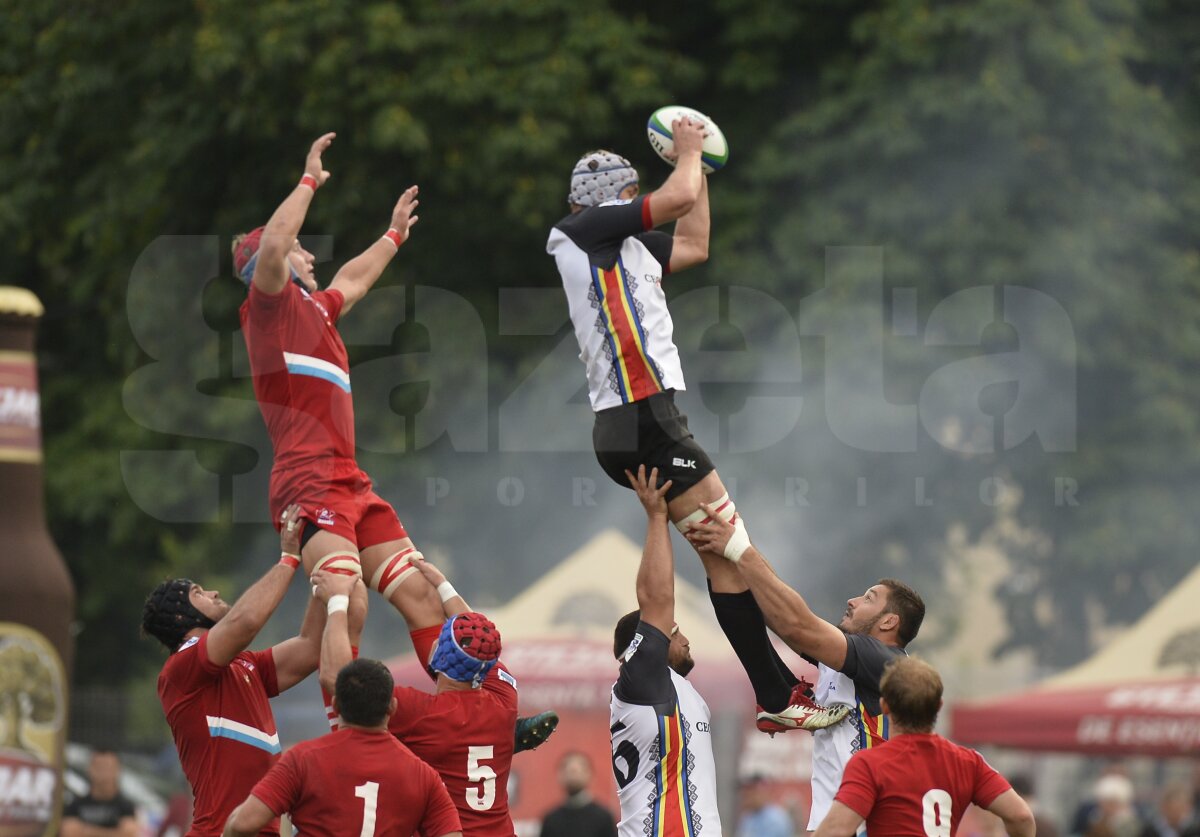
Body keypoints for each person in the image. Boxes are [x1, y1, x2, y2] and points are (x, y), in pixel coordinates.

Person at [233, 135, 557, 752]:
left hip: (349, 481)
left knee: (421, 594)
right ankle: (348, 742)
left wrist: (393, 235)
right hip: (308, 480)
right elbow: (274, 243)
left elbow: (353, 280)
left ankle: (474, 720)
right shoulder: (267, 309)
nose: (306, 254)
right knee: (345, 598)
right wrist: (309, 180)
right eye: (300, 249)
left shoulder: (315, 310)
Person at [548, 123, 845, 737]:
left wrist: (701, 168)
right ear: (607, 199)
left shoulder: (623, 246)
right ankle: (782, 687)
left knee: (725, 556)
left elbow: (694, 241)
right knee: (732, 547)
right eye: (629, 194)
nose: (635, 203)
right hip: (642, 417)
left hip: (645, 418)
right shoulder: (585, 230)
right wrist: (688, 150)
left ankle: (779, 688)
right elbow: (675, 198)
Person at [685, 510, 925, 831]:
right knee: (752, 611)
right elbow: (776, 611)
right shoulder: (852, 661)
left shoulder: (887, 662)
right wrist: (733, 541)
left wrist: (740, 549)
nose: (852, 601)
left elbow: (796, 625)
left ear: (889, 622)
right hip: (833, 826)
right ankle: (776, 700)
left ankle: (776, 699)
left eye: (868, 598)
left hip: (865, 827)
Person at [141, 504, 324, 837]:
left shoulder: (245, 664)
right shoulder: (180, 668)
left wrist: (323, 576)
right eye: (198, 592)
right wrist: (289, 558)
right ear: (181, 617)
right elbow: (246, 621)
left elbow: (311, 647)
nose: (213, 592)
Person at [315, 562, 529, 836]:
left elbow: (336, 677)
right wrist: (443, 586)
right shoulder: (504, 698)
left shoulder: (422, 713)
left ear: (442, 658)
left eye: (440, 638)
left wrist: (336, 602)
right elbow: (479, 637)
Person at [222, 658, 462, 837]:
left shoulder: (303, 759)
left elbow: (243, 824)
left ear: (336, 705)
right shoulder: (424, 776)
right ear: (393, 707)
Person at [609, 465, 721, 836]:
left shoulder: (674, 688)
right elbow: (656, 598)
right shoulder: (642, 678)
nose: (685, 640)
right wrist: (657, 517)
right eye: (674, 632)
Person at [814, 658, 1035, 837]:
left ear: (884, 706)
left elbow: (836, 830)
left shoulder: (869, 764)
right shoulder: (969, 762)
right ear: (938, 706)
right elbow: (1021, 816)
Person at [61, 749, 140, 837]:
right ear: (89, 769)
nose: (103, 772)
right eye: (99, 767)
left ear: (117, 770)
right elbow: (69, 832)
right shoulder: (75, 805)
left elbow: (128, 834)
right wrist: (114, 832)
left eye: (108, 767)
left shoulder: (126, 806)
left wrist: (86, 831)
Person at [539, 752, 617, 837]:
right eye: (568, 770)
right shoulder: (551, 819)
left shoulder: (603, 817)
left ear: (590, 775)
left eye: (577, 770)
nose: (573, 775)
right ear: (559, 775)